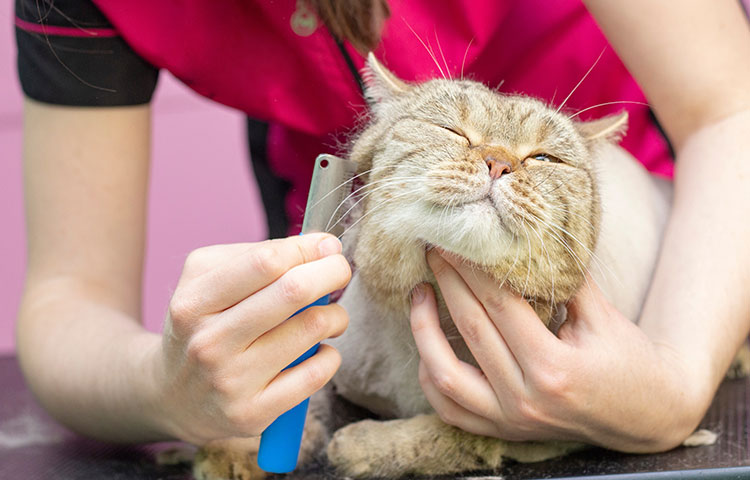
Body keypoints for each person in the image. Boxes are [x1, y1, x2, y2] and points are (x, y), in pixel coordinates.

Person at [14, 0, 750, 454]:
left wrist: (671, 385)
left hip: (648, 236)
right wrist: (160, 386)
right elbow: (68, 298)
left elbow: (731, 113)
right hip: (361, 214)